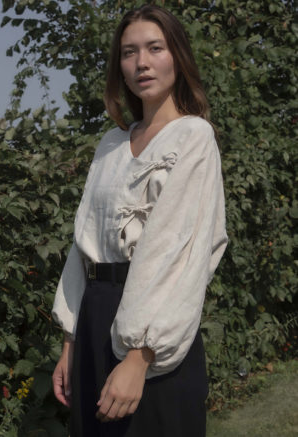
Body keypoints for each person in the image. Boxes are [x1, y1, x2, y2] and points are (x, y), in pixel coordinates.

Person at [51, 4, 228, 437]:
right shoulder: (110, 144)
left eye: (155, 48)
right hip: (95, 317)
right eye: (129, 52)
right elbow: (84, 242)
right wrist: (70, 339)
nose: (141, 62)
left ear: (178, 57)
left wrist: (139, 356)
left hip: (152, 330)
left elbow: (179, 256)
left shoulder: (193, 137)